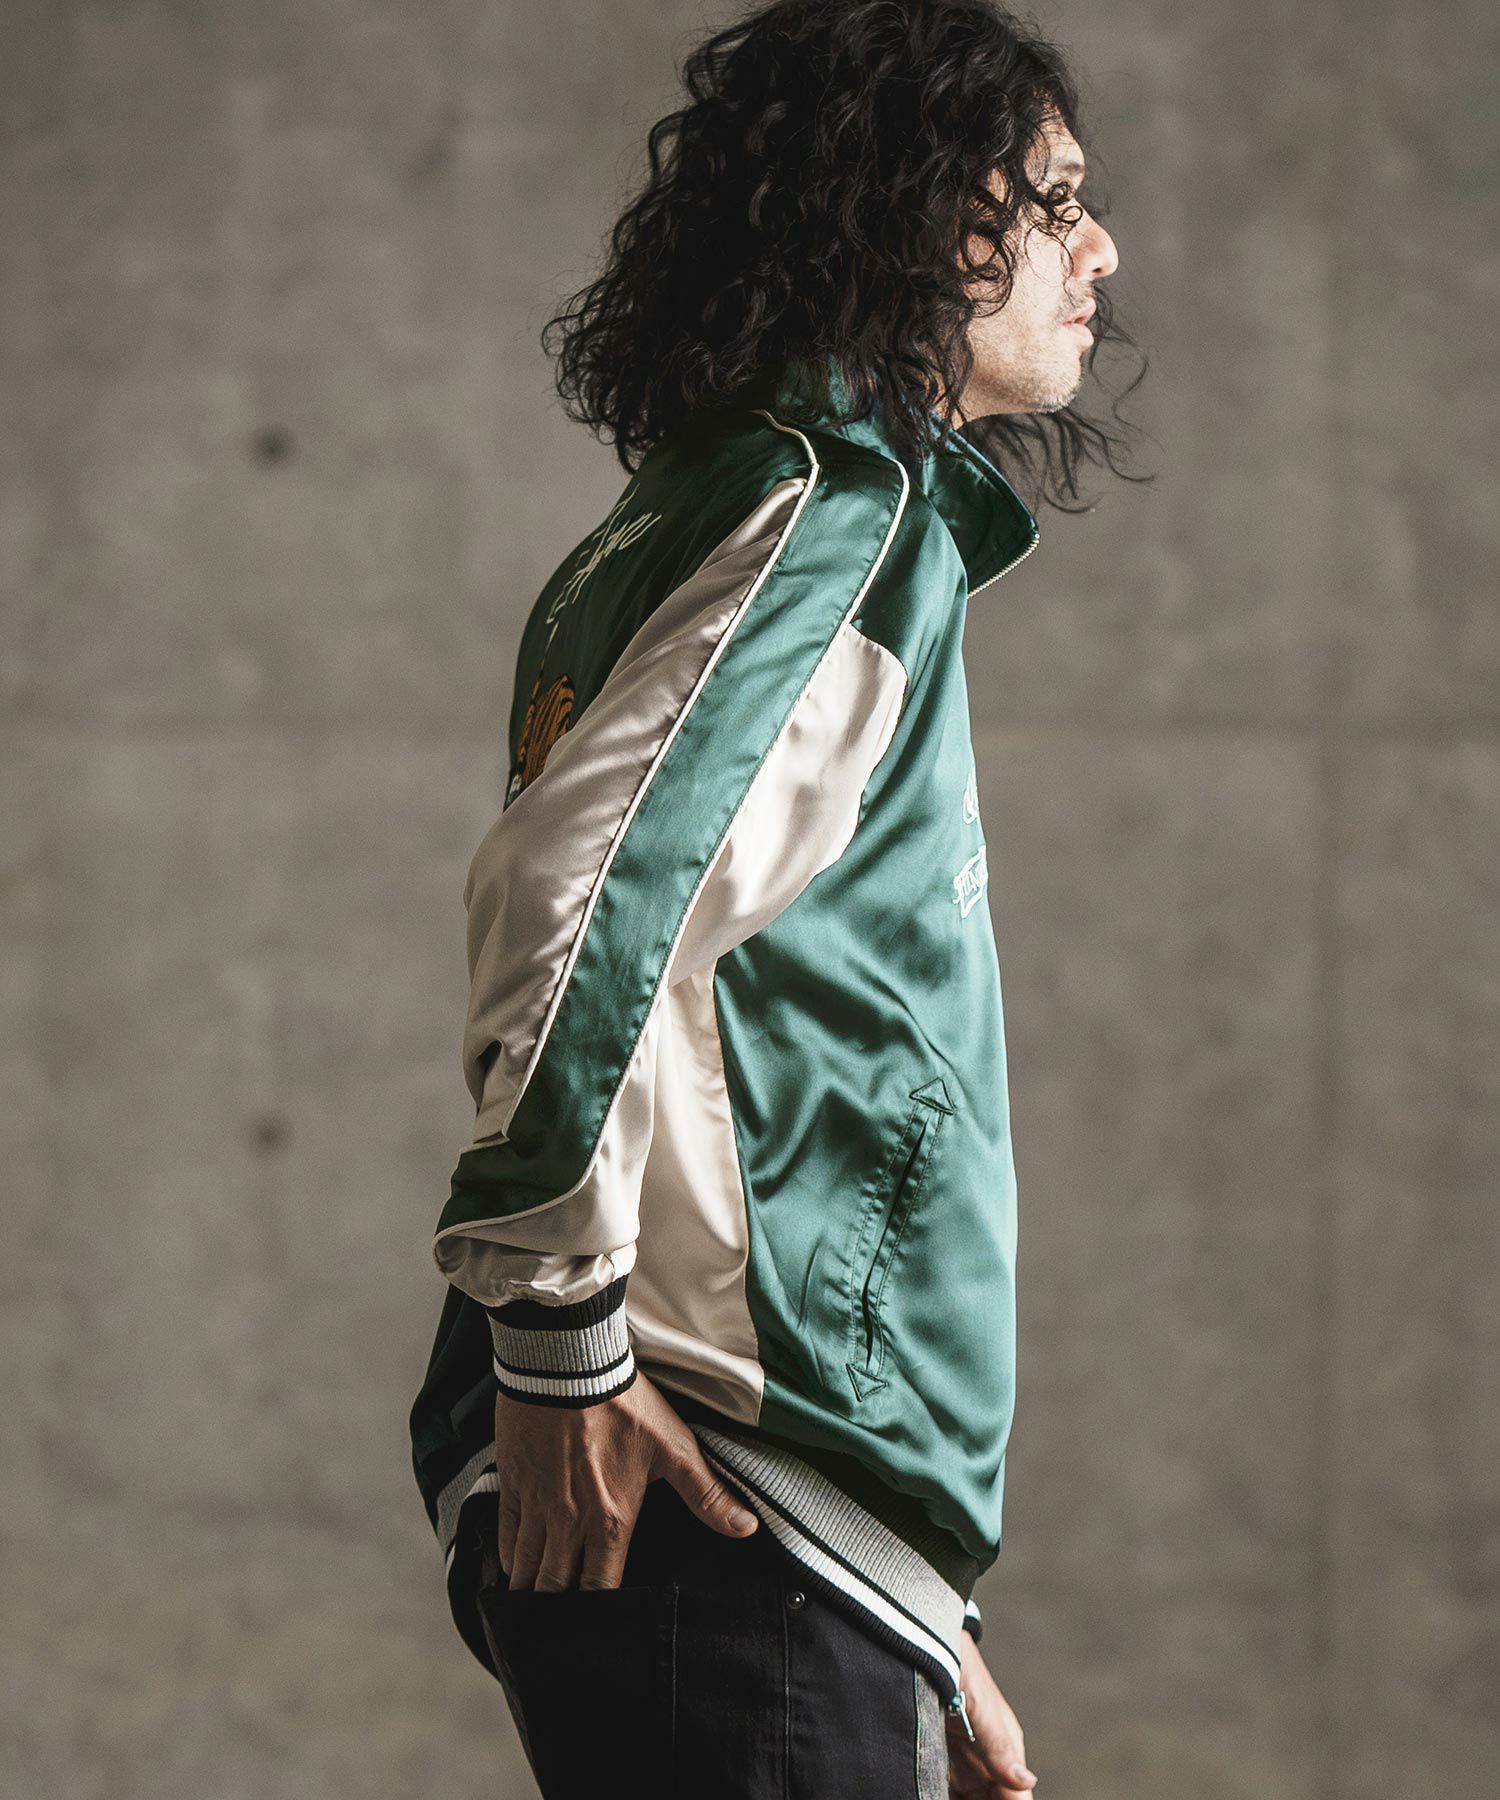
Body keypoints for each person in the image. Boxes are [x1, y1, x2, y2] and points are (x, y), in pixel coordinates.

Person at [408, 3, 1135, 1794]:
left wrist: (913, 1607)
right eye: (1054, 200)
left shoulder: (728, 505)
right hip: (719, 1490)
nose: (1102, 250)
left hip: (772, 1515)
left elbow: (733, 1007)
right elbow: (579, 901)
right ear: (915, 218)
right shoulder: (832, 514)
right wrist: (562, 1339)